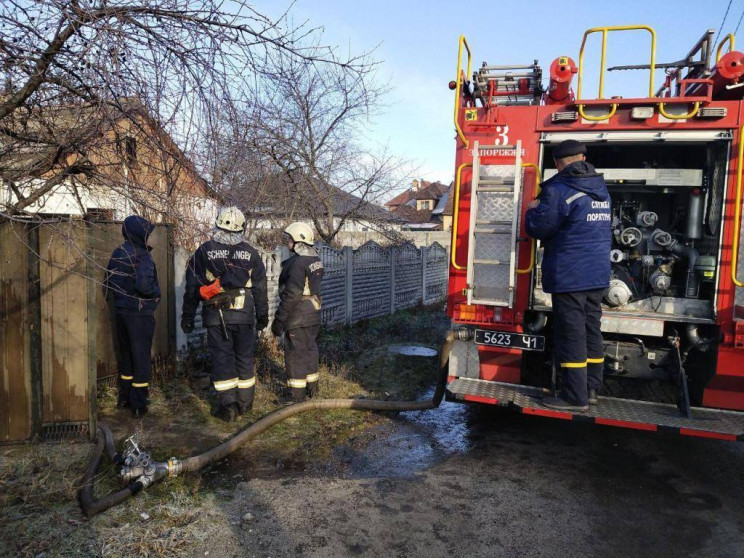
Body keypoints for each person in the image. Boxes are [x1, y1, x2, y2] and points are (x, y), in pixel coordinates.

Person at [525, 140, 611, 412]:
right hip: (597, 273)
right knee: (590, 329)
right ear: (583, 157)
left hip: (571, 275)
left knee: (571, 333)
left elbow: (539, 228)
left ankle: (574, 397)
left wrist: (531, 210)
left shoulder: (560, 190)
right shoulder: (602, 190)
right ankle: (592, 388)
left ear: (556, 163)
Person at [181, 207, 269, 422]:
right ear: (242, 227)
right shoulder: (251, 253)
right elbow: (260, 288)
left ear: (217, 223)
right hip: (245, 315)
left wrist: (188, 317)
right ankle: (245, 405)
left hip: (215, 314)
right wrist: (262, 317)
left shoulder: (203, 251)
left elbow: (192, 288)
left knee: (222, 359)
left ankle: (228, 407)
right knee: (244, 358)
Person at [104, 215, 161, 418]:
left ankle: (124, 398)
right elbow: (145, 286)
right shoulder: (142, 256)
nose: (149, 237)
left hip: (120, 311)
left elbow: (107, 283)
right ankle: (138, 404)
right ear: (139, 233)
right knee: (141, 357)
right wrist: (156, 296)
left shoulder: (118, 253)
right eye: (147, 233)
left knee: (126, 356)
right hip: (139, 313)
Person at [272, 223, 324, 403]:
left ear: (298, 241)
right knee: (310, 348)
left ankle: (295, 396)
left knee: (295, 354)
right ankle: (312, 388)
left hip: (299, 314)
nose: (288, 241)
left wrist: (279, 320)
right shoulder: (315, 260)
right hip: (314, 312)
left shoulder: (296, 264)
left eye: (290, 238)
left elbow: (292, 294)